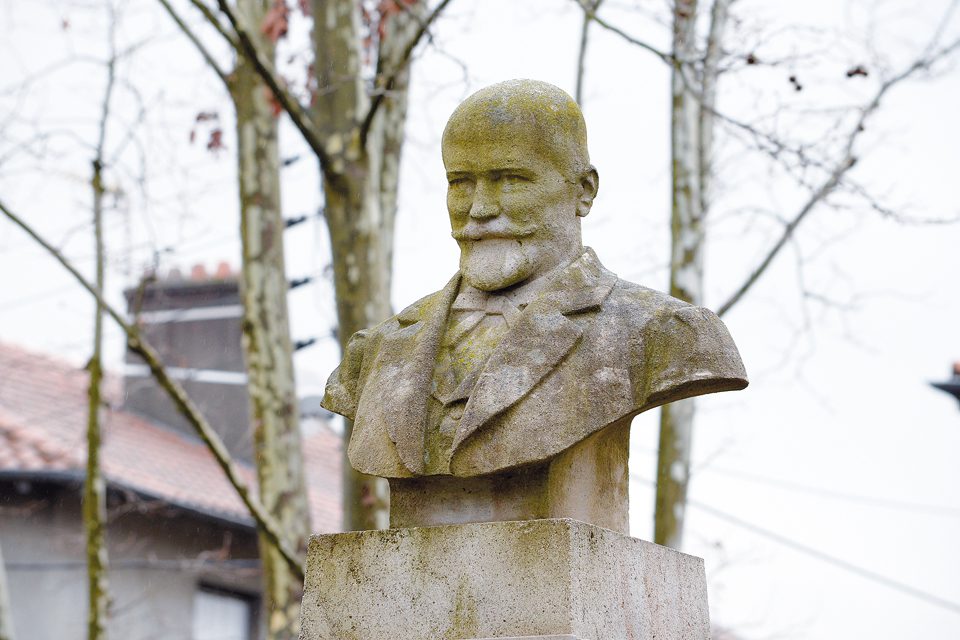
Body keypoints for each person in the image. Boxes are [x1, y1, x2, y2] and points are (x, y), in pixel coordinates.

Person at [322, 79, 747, 532]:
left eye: (511, 180)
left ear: (583, 191)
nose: (480, 208)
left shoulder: (664, 333)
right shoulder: (376, 351)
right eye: (461, 183)